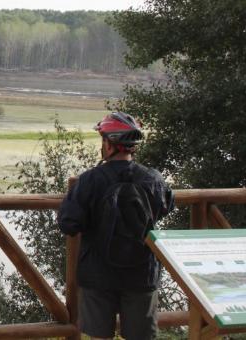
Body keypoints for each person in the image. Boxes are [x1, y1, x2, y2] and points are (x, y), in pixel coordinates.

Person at [58, 112, 174, 340]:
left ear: (109, 145)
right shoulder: (153, 179)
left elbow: (68, 224)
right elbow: (166, 206)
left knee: (100, 337)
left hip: (98, 274)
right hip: (142, 273)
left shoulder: (89, 180)